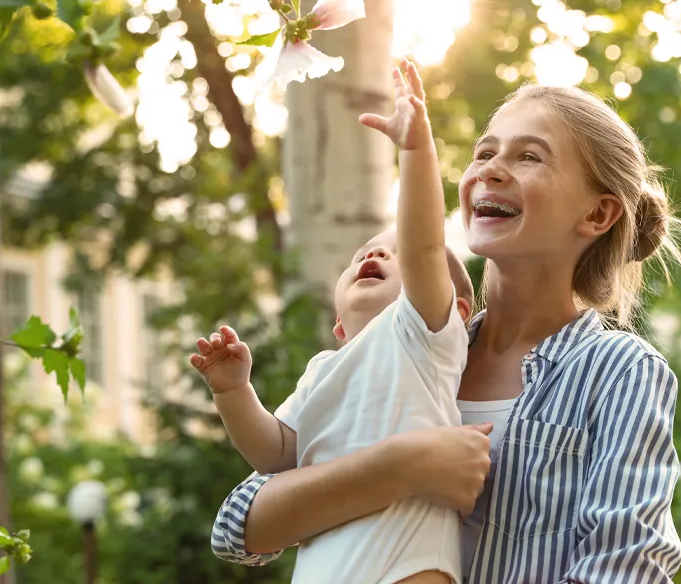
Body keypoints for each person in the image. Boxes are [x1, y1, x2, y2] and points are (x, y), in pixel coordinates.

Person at [211, 82, 681, 583]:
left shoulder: (619, 372)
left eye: (529, 156)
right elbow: (239, 527)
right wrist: (403, 465)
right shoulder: (403, 348)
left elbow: (624, 569)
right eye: (484, 152)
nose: (490, 169)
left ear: (597, 214)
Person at [189, 60, 475, 584]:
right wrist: (233, 393)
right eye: (363, 253)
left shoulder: (422, 337)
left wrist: (415, 151)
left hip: (405, 563)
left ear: (454, 311)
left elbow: (425, 241)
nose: (376, 255)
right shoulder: (324, 369)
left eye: (395, 255)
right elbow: (276, 455)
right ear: (339, 326)